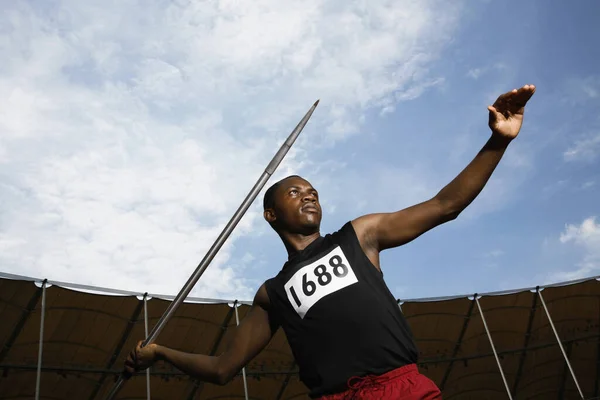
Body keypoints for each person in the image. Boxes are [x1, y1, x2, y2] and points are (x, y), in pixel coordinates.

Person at [124, 85, 536, 399]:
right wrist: (160, 353)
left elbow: (446, 205)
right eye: (294, 192)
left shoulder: (360, 235)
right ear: (270, 214)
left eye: (313, 190)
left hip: (401, 388)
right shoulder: (273, 293)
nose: (309, 194)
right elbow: (221, 368)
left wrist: (499, 140)